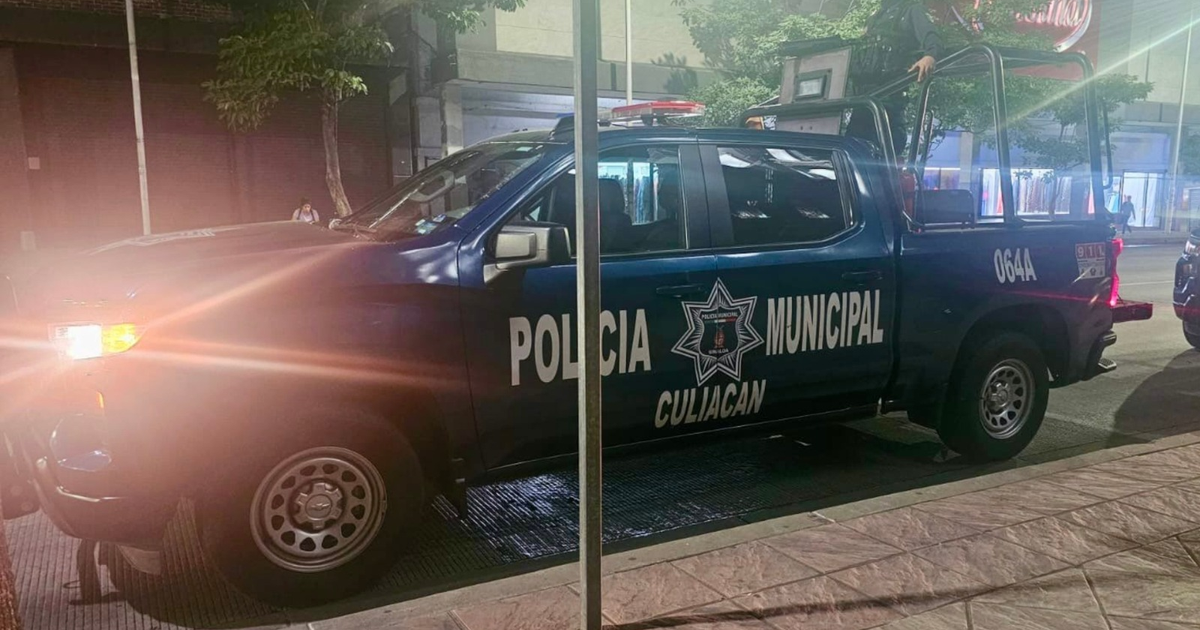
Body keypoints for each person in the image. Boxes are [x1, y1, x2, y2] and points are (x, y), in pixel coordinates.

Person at [845, 0, 943, 158]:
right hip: (862, 104)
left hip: (888, 105)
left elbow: (932, 37)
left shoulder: (911, 11)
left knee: (881, 162)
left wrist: (930, 56)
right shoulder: (875, 17)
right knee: (848, 156)